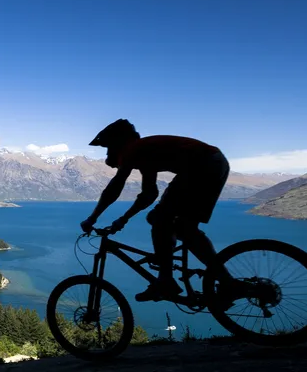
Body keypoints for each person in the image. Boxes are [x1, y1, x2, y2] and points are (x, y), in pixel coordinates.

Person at [80, 119, 232, 303]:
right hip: (214, 163)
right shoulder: (145, 151)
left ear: (118, 143)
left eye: (108, 148)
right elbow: (149, 194)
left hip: (203, 166)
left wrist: (92, 218)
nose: (107, 153)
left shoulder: (133, 149)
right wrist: (124, 219)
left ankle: (165, 281)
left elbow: (115, 187)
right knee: (184, 228)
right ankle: (228, 283)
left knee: (160, 219)